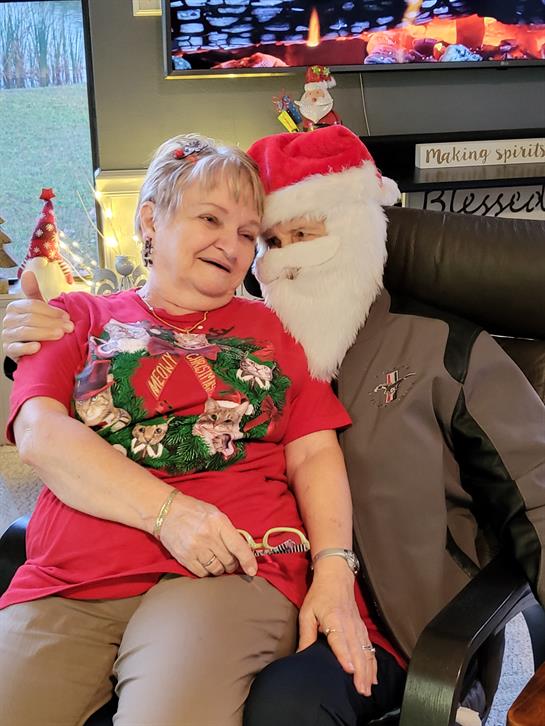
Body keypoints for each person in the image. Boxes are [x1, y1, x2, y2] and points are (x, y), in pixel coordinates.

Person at [0, 132, 396, 726]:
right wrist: (170, 514)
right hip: (69, 577)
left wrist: (335, 566)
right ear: (150, 220)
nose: (231, 245)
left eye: (248, 233)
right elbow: (40, 436)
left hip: (227, 570)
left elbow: (313, 454)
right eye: (210, 218)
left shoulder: (281, 329)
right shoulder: (77, 318)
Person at [239, 125, 545, 725]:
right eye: (271, 241)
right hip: (267, 603)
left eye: (304, 233)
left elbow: (536, 487)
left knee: (284, 706)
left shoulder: (441, 348)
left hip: (405, 631)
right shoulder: (257, 357)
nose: (287, 260)